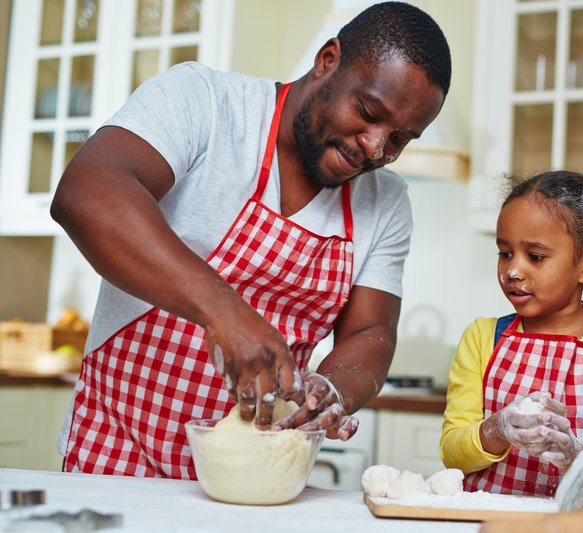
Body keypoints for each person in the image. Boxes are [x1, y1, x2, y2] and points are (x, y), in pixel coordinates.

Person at [51, 2, 451, 479]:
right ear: (327, 60)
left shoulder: (385, 203)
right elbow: (87, 192)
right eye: (367, 112)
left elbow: (371, 333)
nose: (375, 148)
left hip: (257, 483)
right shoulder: (205, 102)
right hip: (115, 457)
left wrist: (331, 390)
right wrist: (227, 314)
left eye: (400, 139)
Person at [440, 170, 583, 498]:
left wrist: (575, 456)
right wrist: (498, 428)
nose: (513, 270)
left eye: (535, 257)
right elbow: (452, 454)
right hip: (488, 521)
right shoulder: (483, 337)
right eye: (505, 253)